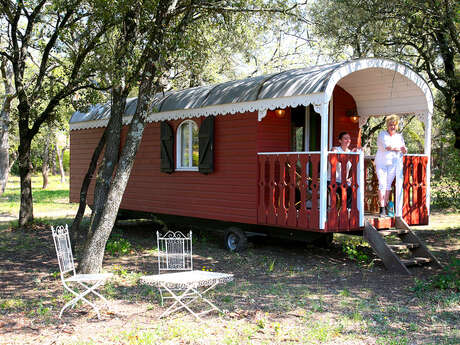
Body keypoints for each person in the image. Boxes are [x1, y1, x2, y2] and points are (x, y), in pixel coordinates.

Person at [375, 114, 407, 217]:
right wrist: (399, 148)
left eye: (394, 125)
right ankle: (381, 208)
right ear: (387, 125)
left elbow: (404, 149)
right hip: (381, 163)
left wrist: (404, 150)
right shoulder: (382, 134)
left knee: (388, 185)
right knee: (382, 184)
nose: (392, 126)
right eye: (390, 124)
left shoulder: (399, 136)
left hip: (394, 163)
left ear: (396, 126)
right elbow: (387, 147)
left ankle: (386, 207)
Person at [330, 132, 356, 209]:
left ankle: (347, 210)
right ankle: (341, 210)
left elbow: (353, 168)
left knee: (352, 188)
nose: (348, 140)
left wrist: (349, 178)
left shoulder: (350, 152)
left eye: (349, 139)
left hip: (343, 181)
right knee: (344, 190)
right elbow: (333, 152)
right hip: (332, 180)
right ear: (340, 141)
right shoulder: (336, 149)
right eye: (345, 138)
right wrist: (333, 150)